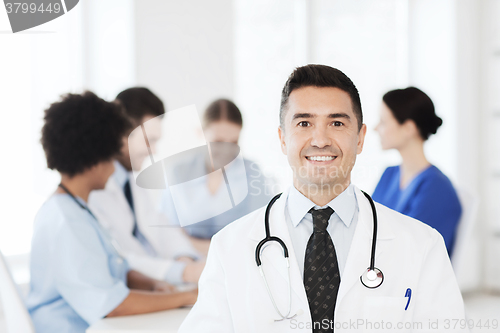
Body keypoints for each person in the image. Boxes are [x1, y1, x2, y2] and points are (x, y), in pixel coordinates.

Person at [179, 65, 466, 333]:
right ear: (282, 139)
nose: (320, 139)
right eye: (304, 123)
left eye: (337, 123)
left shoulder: (423, 245)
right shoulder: (229, 247)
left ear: (360, 138)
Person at [26, 92, 197, 333]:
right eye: (111, 156)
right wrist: (188, 296)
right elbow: (112, 305)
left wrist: (152, 284)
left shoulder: (77, 210)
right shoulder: (66, 221)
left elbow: (112, 267)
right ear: (94, 159)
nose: (113, 167)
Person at [89, 87, 204, 285]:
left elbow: (160, 228)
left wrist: (184, 259)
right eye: (149, 141)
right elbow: (116, 257)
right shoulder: (93, 191)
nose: (153, 151)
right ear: (123, 133)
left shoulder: (131, 182)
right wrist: (182, 272)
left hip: (155, 284)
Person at [159, 98, 273, 255]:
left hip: (239, 264)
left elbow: (261, 234)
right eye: (218, 142)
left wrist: (193, 243)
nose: (226, 151)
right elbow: (168, 234)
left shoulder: (252, 173)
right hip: (189, 265)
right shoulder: (178, 173)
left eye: (234, 142)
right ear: (201, 133)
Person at [372, 87, 462, 256]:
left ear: (408, 128)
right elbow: (368, 224)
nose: (376, 128)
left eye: (383, 122)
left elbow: (414, 251)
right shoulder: (389, 174)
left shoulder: (436, 188)